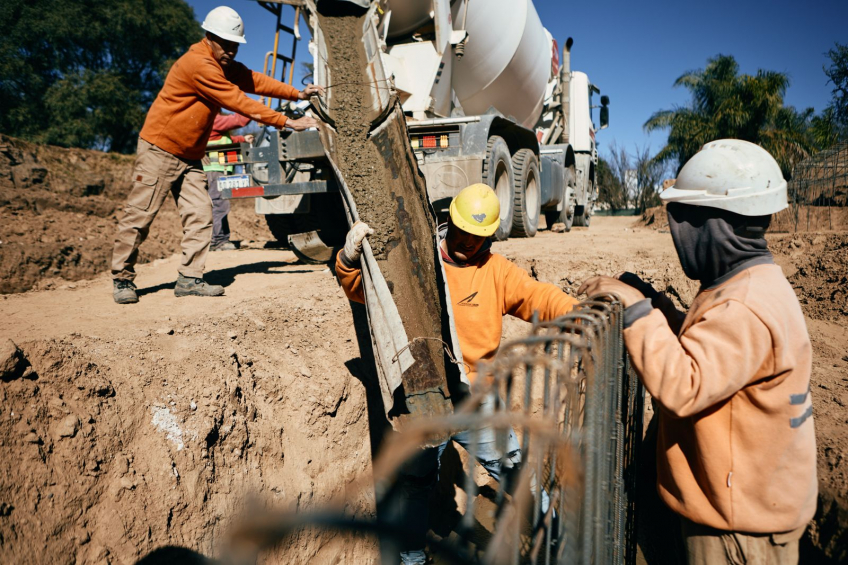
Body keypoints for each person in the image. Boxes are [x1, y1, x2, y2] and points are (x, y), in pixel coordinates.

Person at [580, 139, 817, 565]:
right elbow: (715, 359)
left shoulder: (743, 307)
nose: (675, 235)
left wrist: (637, 311)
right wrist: (664, 313)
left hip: (738, 529)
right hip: (740, 506)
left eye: (681, 221)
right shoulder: (746, 284)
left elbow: (684, 386)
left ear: (716, 226)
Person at [336, 183, 580, 564]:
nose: (470, 242)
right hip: (422, 392)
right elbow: (364, 293)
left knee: (516, 470)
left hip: (475, 395)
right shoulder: (419, 260)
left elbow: (538, 297)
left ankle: (561, 544)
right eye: (464, 231)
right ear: (450, 222)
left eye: (480, 236)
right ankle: (413, 559)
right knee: (416, 484)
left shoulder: (495, 271)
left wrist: (578, 311)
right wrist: (349, 261)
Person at [110, 6, 324, 304]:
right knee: (140, 216)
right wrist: (287, 121)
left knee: (200, 214)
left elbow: (253, 80)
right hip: (160, 150)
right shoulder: (199, 64)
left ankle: (190, 278)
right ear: (208, 36)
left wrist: (297, 94)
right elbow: (237, 99)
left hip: (191, 155)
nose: (232, 51)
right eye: (226, 43)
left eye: (236, 44)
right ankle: (122, 278)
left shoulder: (222, 61)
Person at [203, 111, 252, 251]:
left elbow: (226, 140)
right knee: (218, 205)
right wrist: (255, 109)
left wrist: (242, 139)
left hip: (215, 170)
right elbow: (239, 120)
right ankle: (218, 242)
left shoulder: (212, 123)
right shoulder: (213, 119)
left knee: (217, 204)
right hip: (214, 170)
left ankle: (217, 240)